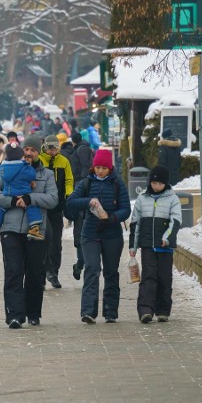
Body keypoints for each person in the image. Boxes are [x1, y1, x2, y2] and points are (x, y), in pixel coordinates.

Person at [0, 133, 58, 328]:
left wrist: (30, 199)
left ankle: (33, 313)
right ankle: (14, 315)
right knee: (13, 271)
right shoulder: (8, 170)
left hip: (36, 228)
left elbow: (53, 199)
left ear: (39, 153)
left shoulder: (47, 175)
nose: (28, 153)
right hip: (10, 227)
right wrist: (10, 201)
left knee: (35, 272)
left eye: (33, 150)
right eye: (26, 149)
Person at [65, 148, 131, 324]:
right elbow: (71, 202)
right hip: (90, 233)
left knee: (111, 273)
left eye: (104, 168)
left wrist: (112, 217)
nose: (100, 171)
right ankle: (88, 311)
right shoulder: (86, 183)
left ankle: (110, 311)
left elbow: (126, 209)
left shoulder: (118, 184)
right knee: (92, 269)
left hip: (112, 234)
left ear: (110, 168)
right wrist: (88, 202)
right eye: (97, 167)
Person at [129, 165, 182, 323]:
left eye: (159, 183)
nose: (156, 186)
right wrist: (133, 246)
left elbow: (176, 221)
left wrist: (167, 237)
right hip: (148, 246)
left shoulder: (173, 199)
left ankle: (163, 309)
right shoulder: (142, 198)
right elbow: (135, 224)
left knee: (164, 278)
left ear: (165, 184)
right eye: (153, 183)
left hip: (165, 247)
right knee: (148, 277)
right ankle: (145, 309)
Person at [0, 142, 44, 241]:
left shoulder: (3, 168)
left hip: (8, 193)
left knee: (0, 208)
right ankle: (34, 229)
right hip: (23, 193)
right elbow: (31, 176)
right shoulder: (23, 167)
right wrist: (28, 166)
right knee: (32, 207)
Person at [38, 134, 74, 289]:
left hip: (57, 207)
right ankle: (43, 272)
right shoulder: (39, 161)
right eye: (51, 148)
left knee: (56, 242)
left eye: (55, 148)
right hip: (41, 207)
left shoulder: (63, 161)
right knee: (43, 240)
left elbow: (69, 179)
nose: (53, 151)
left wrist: (68, 194)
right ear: (45, 147)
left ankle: (54, 272)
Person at [68, 132, 94, 278]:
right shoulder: (86, 149)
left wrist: (82, 181)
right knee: (80, 230)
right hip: (82, 192)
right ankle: (80, 264)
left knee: (81, 230)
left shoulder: (81, 150)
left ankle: (81, 264)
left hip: (81, 189)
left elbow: (84, 167)